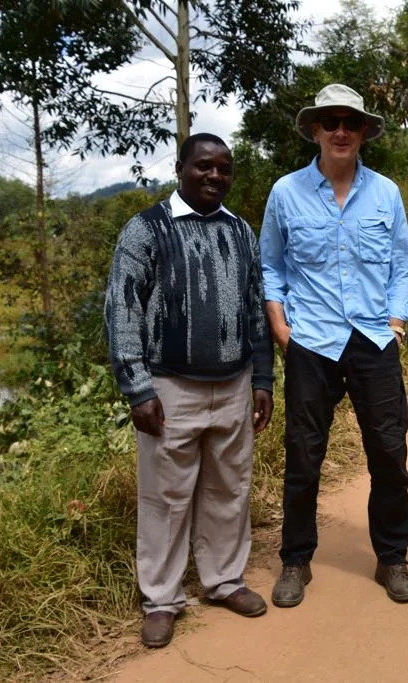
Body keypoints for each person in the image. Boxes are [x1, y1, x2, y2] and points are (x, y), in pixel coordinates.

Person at [104, 133, 274, 648]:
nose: (215, 176)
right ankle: (162, 599)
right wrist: (137, 389)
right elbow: (121, 311)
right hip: (169, 388)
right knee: (166, 497)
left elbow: (254, 306)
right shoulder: (146, 230)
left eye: (224, 168)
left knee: (229, 489)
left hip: (233, 383)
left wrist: (263, 378)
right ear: (180, 168)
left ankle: (224, 581)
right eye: (204, 166)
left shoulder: (241, 231)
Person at [259, 84, 408, 606]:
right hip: (312, 342)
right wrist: (280, 327)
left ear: (365, 131)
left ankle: (393, 559)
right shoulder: (286, 193)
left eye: (351, 122)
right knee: (304, 456)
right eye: (331, 122)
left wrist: (394, 321)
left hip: (373, 340)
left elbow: (401, 264)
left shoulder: (386, 193)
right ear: (315, 131)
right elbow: (272, 267)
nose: (341, 132)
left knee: (389, 455)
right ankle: (295, 561)